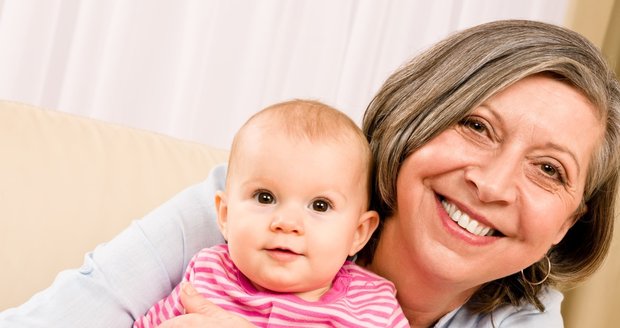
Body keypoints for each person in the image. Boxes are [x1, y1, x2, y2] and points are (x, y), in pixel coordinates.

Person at [1, 19, 619, 328]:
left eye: (548, 170)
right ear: (416, 116)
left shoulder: (523, 316)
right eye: (476, 126)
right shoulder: (246, 215)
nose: (492, 183)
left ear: (570, 222)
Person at [132, 99, 408, 327]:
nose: (287, 223)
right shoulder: (207, 274)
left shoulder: (373, 309)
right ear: (226, 215)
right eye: (265, 198)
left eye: (320, 205)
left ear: (358, 233)